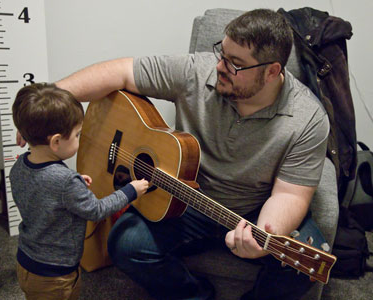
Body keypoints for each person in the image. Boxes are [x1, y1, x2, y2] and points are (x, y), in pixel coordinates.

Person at [46, 8, 329, 300]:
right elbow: (119, 71)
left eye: (235, 64)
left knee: (303, 267)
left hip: (254, 208)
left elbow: (290, 195)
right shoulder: (199, 71)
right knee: (124, 244)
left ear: (271, 72)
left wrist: (262, 235)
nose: (220, 66)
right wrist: (45, 100)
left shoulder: (308, 119)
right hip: (185, 200)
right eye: (222, 53)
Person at [10, 83, 149, 300]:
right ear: (56, 141)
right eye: (77, 134)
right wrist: (130, 191)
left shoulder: (19, 166)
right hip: (56, 274)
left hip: (27, 261)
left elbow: (42, 194)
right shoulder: (65, 182)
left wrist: (74, 185)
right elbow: (96, 210)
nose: (80, 138)